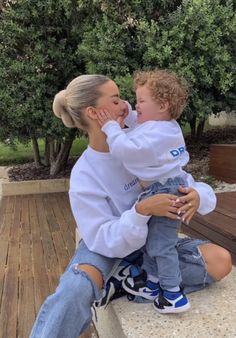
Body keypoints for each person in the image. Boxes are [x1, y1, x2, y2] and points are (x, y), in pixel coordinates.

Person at [30, 74, 232, 338]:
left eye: (123, 97)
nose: (126, 104)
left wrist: (197, 195)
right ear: (93, 112)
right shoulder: (85, 173)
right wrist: (142, 211)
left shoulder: (142, 141)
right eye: (115, 100)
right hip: (107, 248)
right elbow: (101, 237)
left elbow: (179, 176)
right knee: (75, 289)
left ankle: (129, 280)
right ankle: (127, 277)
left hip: (153, 244)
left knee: (221, 260)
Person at [95, 69, 207, 313]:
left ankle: (173, 294)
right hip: (165, 188)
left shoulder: (157, 133)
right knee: (153, 241)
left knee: (161, 246)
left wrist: (111, 127)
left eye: (141, 101)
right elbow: (139, 121)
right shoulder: (164, 126)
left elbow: (127, 150)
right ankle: (153, 283)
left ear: (163, 105)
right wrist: (125, 108)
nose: (136, 106)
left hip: (166, 191)